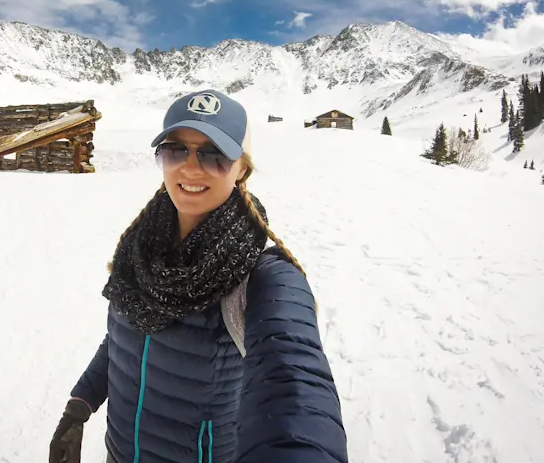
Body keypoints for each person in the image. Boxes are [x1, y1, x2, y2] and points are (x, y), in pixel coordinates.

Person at [49, 89, 348, 463]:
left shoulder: (260, 274)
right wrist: (80, 404)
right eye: (176, 150)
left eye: (214, 154)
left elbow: (296, 384)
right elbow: (124, 341)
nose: (191, 167)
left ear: (242, 167)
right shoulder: (140, 248)